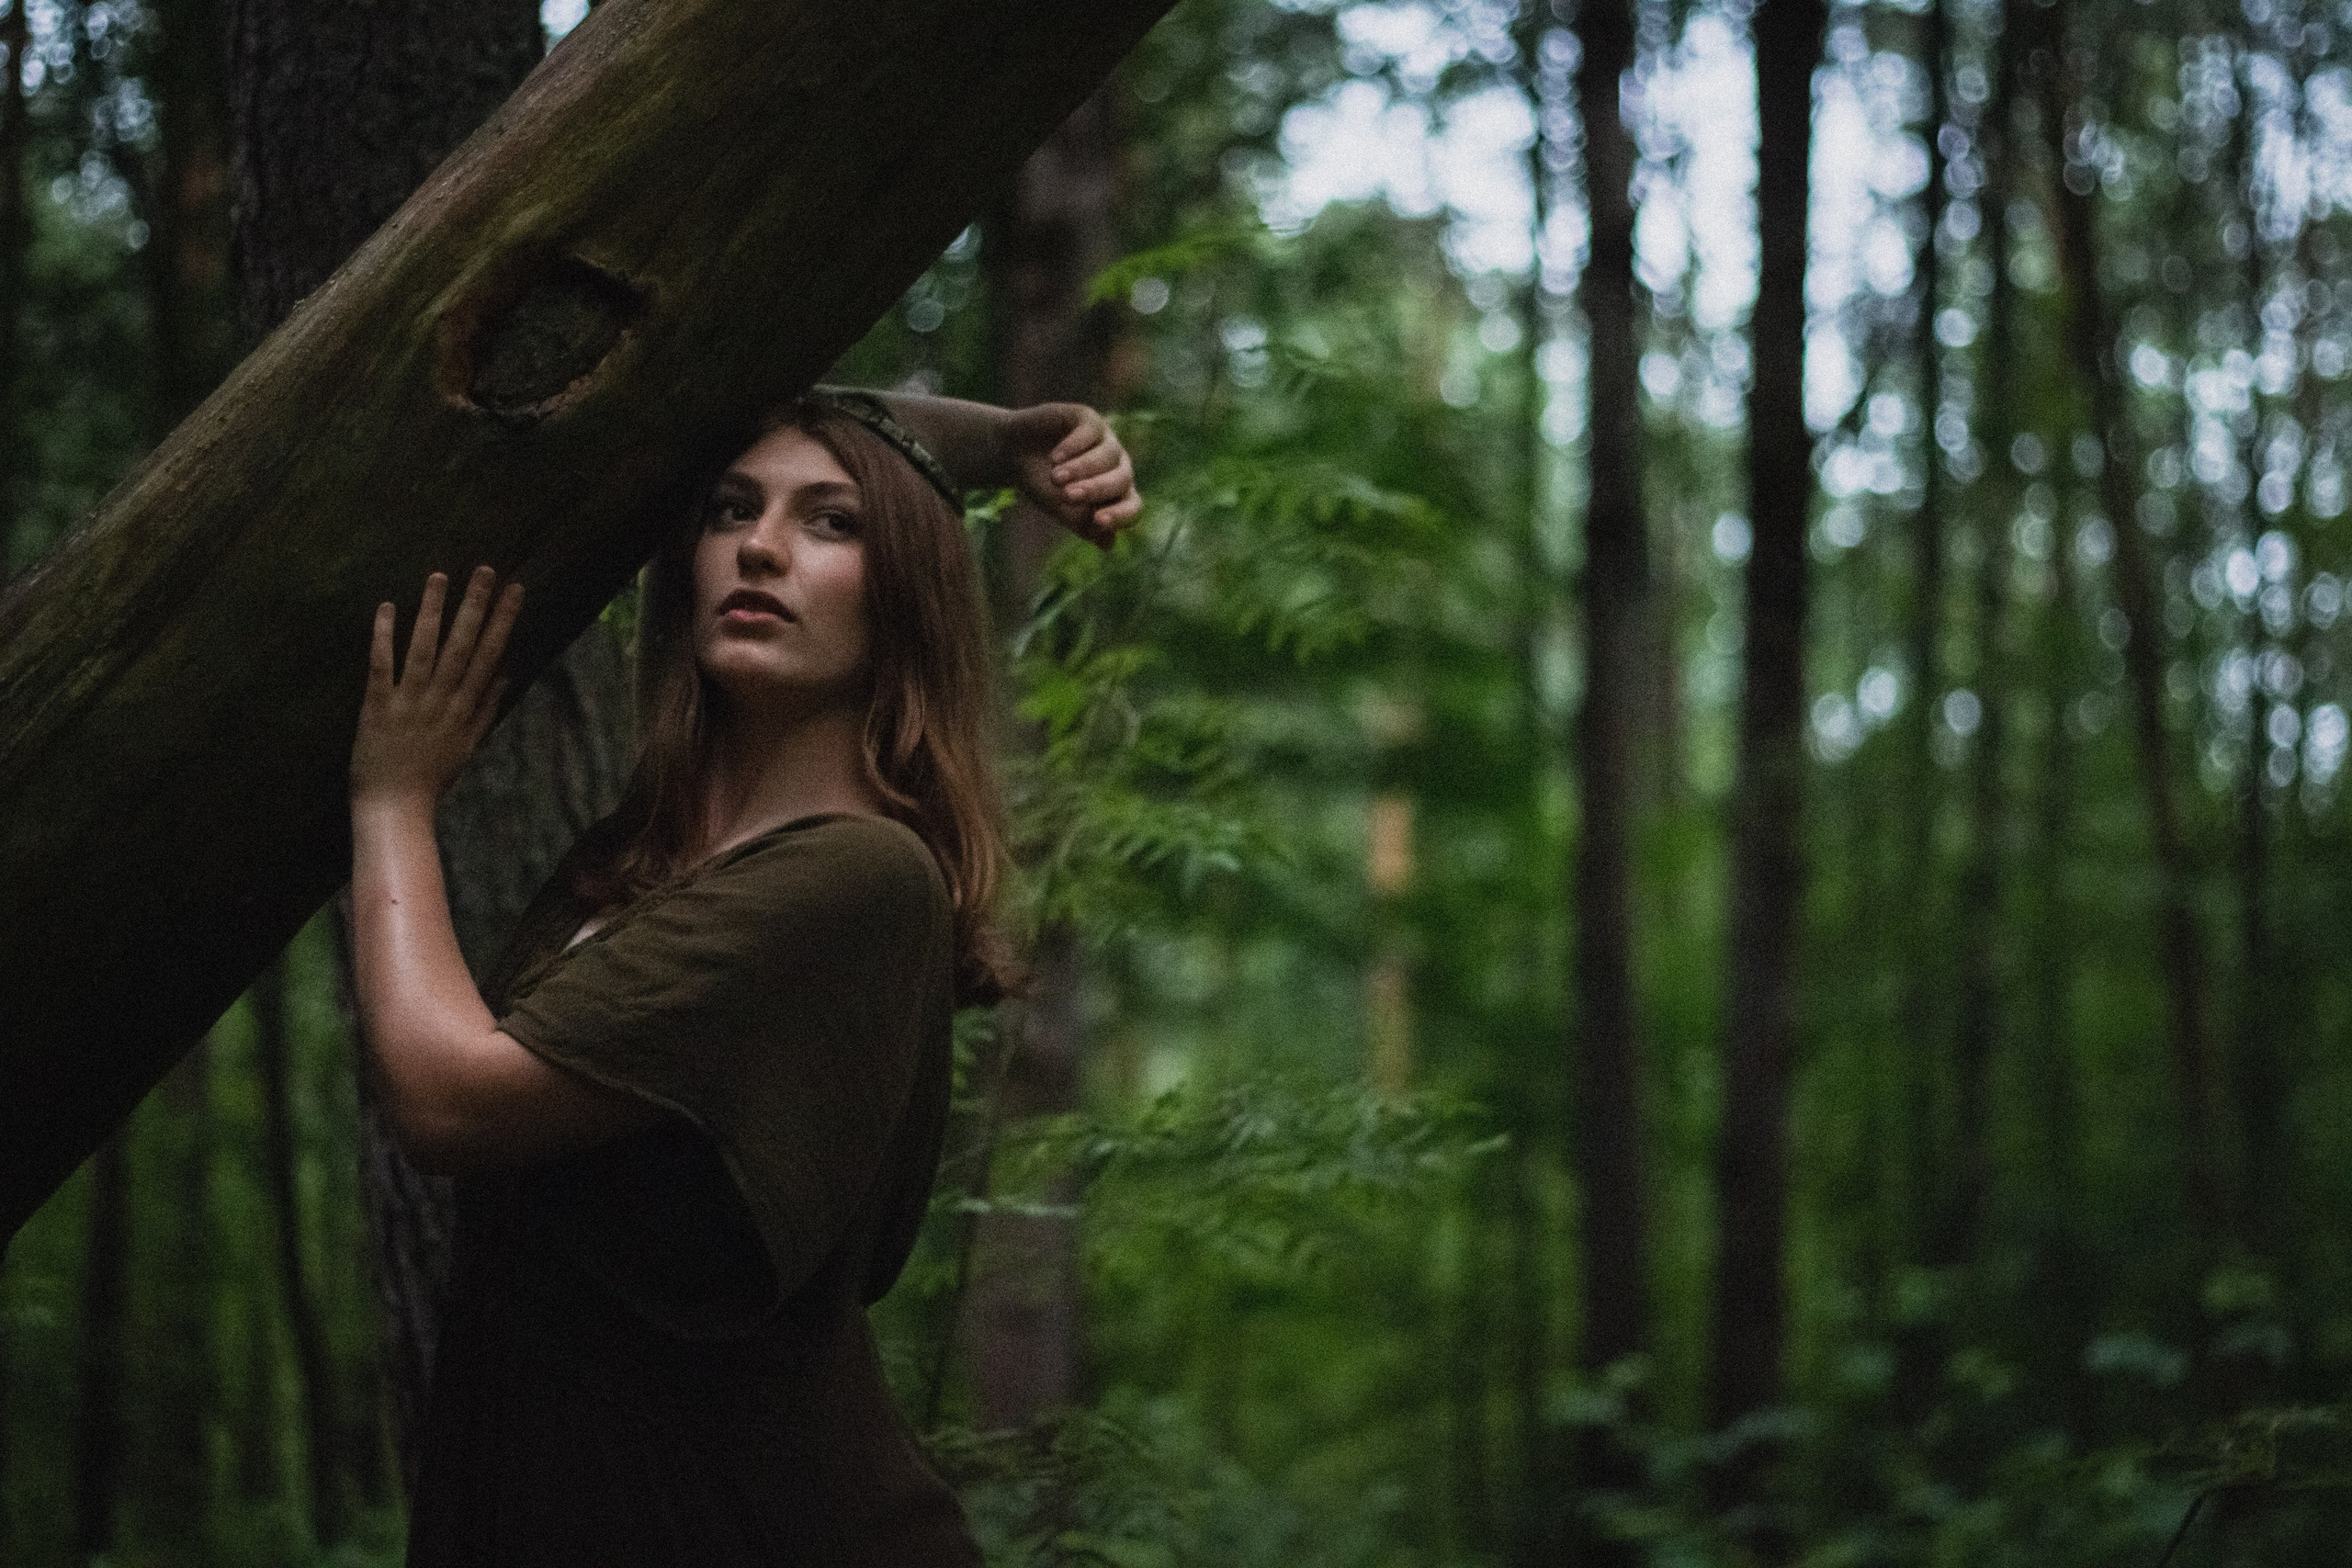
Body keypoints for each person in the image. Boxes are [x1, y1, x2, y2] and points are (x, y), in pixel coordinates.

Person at [345, 389, 1139, 1565]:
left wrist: (391, 798)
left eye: (833, 524)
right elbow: (724, 378)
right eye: (731, 509)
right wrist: (996, 439)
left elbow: (448, 1098)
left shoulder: (860, 878)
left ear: (908, 595)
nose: (760, 546)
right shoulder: (632, 860)